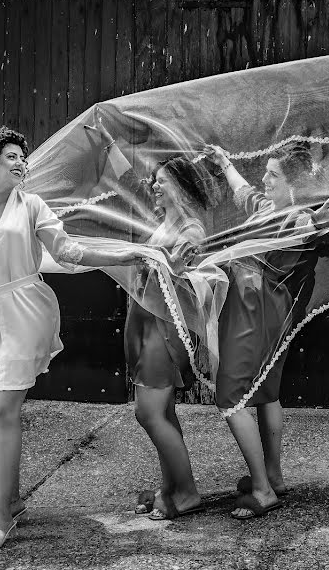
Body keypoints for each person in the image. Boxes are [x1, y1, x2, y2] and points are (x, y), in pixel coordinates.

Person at [0, 126, 143, 552]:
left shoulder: (33, 205)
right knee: (0, 407)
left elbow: (67, 252)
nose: (21, 162)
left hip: (24, 311)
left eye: (23, 156)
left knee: (4, 408)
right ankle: (15, 498)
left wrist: (128, 254)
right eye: (11, 156)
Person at [86, 119, 217, 520]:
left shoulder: (191, 229)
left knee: (148, 413)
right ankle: (171, 487)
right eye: (155, 181)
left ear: (180, 186)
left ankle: (189, 491)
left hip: (162, 330)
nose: (155, 187)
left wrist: (175, 269)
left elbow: (193, 281)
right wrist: (108, 144)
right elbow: (128, 181)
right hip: (143, 322)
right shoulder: (165, 222)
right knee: (164, 413)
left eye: (162, 181)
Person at [204, 143, 329, 519]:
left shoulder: (297, 218)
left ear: (293, 185)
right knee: (265, 391)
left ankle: (262, 490)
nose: (263, 180)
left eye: (273, 175)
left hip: (256, 310)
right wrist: (224, 162)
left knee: (231, 397)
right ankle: (275, 476)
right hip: (258, 307)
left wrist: (315, 225)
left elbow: (307, 233)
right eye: (264, 172)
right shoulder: (268, 208)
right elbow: (243, 191)